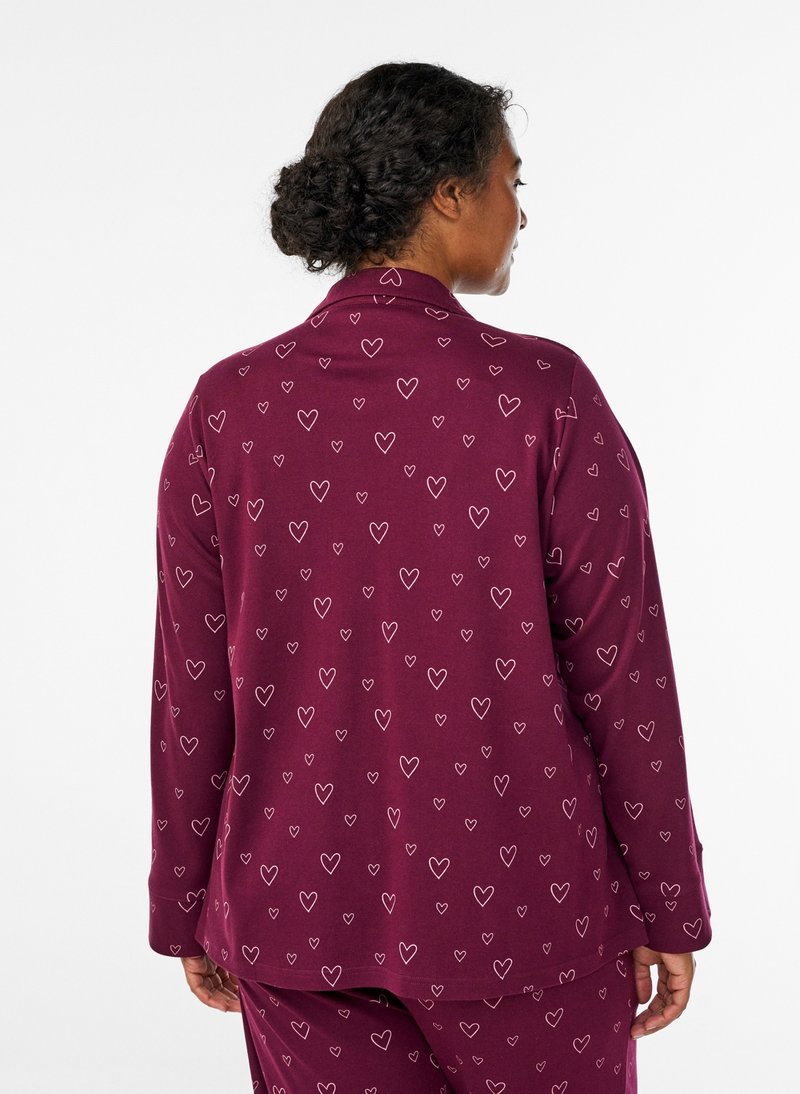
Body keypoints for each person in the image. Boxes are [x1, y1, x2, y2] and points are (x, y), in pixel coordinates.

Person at [147, 60, 712, 1093]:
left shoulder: (227, 406)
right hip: (529, 914)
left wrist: (185, 902)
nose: (519, 213)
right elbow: (623, 677)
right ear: (449, 193)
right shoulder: (542, 393)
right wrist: (669, 903)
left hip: (295, 913)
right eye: (510, 181)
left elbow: (192, 688)